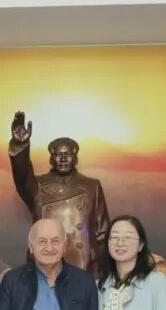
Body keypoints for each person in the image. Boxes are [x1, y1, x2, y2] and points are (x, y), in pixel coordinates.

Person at [8, 110, 110, 277]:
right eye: (57, 155)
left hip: (83, 265)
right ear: (51, 158)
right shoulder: (37, 186)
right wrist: (20, 145)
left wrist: (102, 266)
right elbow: (21, 175)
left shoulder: (92, 186)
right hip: (45, 266)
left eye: (67, 154)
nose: (63, 159)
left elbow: (103, 232)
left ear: (75, 158)